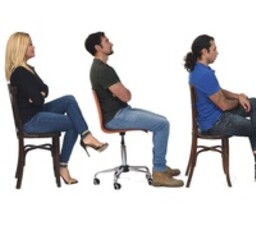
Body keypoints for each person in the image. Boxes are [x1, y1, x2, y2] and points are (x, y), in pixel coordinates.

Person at [6, 32, 110, 185]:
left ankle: (86, 136)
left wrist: (38, 94)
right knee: (73, 122)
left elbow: (45, 89)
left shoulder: (28, 69)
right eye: (29, 44)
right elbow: (39, 97)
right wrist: (38, 95)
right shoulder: (19, 73)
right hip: (31, 121)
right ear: (20, 48)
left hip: (38, 112)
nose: (33, 47)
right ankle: (63, 165)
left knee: (69, 99)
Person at [185, 34, 256, 184]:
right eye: (214, 49)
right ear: (204, 52)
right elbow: (224, 105)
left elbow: (218, 91)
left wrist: (239, 96)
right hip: (215, 123)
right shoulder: (203, 74)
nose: (217, 52)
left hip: (217, 115)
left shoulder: (200, 70)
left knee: (255, 103)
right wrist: (237, 102)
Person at [85, 32, 183, 187]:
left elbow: (122, 96)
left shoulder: (100, 68)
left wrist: (122, 94)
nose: (111, 43)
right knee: (162, 125)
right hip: (116, 117)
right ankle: (158, 173)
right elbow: (126, 96)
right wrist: (125, 93)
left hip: (121, 112)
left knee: (163, 120)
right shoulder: (102, 70)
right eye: (106, 41)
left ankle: (161, 167)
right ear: (98, 47)